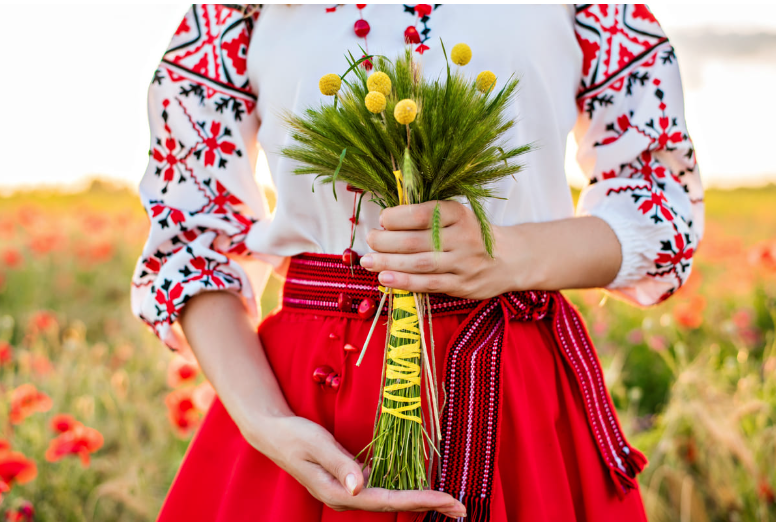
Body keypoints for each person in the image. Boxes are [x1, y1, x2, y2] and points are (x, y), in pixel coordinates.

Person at [131, 4, 703, 521]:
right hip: (309, 399)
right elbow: (190, 234)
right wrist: (265, 423)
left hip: (514, 392)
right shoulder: (234, 10)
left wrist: (512, 253)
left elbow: (661, 199)